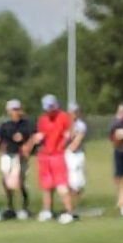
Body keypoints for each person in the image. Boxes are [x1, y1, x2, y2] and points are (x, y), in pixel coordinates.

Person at [33, 94, 76, 224]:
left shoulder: (63, 117)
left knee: (61, 185)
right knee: (46, 185)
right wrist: (38, 140)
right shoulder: (42, 119)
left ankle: (68, 212)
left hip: (58, 155)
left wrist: (65, 141)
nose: (49, 110)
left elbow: (70, 133)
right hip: (45, 155)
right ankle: (47, 210)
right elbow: (41, 135)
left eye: (51, 107)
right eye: (47, 108)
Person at [0, 99, 34, 219]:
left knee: (20, 181)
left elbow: (32, 138)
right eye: (13, 110)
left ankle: (24, 207)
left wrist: (27, 147)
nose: (15, 112)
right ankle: (10, 206)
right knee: (6, 181)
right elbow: (0, 141)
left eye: (17, 109)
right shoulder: (5, 125)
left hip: (21, 156)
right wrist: (1, 148)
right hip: (8, 155)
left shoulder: (26, 124)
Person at [65, 102, 88, 210]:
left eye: (75, 112)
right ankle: (70, 206)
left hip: (77, 155)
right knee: (69, 181)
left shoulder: (81, 125)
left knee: (78, 182)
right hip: (68, 154)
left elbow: (75, 143)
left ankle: (75, 205)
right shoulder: (65, 124)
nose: (73, 114)